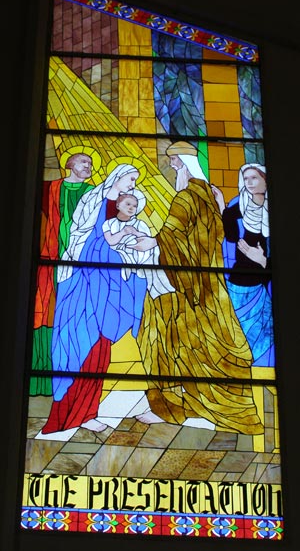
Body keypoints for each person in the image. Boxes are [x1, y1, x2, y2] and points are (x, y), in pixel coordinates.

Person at [129, 141, 264, 435]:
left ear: (185, 164)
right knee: (202, 340)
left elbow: (172, 233)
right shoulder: (208, 194)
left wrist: (149, 242)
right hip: (205, 284)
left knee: (163, 338)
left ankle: (174, 406)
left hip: (184, 285)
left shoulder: (187, 197)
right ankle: (191, 404)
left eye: (176, 163)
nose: (174, 168)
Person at [41, 163, 148, 435]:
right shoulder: (94, 199)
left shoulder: (126, 207)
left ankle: (88, 412)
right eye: (131, 179)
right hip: (84, 283)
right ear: (118, 176)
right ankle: (68, 414)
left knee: (100, 349)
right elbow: (82, 238)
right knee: (76, 345)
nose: (133, 185)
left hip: (111, 283)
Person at [31, 152, 94, 395]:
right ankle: (42, 379)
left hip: (81, 265)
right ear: (69, 165)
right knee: (44, 312)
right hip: (50, 259)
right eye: (83, 162)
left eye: (89, 163)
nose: (88, 166)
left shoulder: (94, 193)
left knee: (72, 317)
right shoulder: (50, 188)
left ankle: (70, 381)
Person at [211, 163, 274, 367]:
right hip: (239, 281)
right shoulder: (241, 204)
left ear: (265, 179)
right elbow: (230, 234)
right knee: (234, 332)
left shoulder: (276, 210)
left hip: (263, 283)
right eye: (245, 178)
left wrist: (262, 260)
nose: (248, 182)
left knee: (261, 338)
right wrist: (221, 203)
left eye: (253, 178)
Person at [102, 191, 176, 298]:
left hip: (140, 254)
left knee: (155, 253)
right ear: (118, 205)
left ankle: (160, 290)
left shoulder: (139, 224)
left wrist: (135, 232)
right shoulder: (108, 223)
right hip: (119, 254)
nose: (132, 208)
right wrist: (124, 232)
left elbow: (146, 240)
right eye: (128, 204)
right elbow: (110, 241)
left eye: (135, 206)